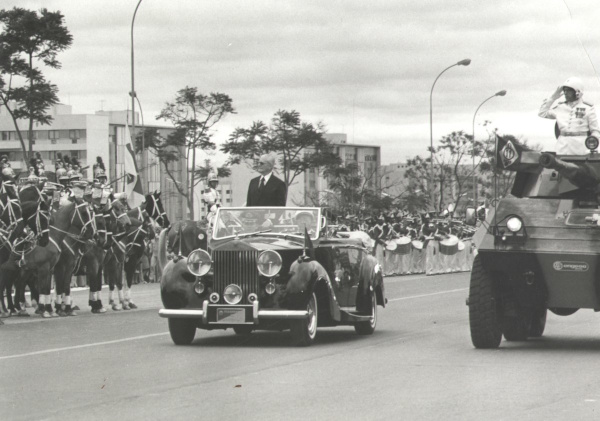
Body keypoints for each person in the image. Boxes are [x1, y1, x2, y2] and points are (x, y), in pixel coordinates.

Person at [539, 76, 600, 155]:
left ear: (577, 92)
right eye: (565, 90)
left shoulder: (588, 108)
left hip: (581, 148)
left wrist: (592, 142)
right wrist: (553, 98)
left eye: (569, 91)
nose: (565, 93)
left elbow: (595, 131)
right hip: (562, 147)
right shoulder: (560, 107)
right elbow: (542, 113)